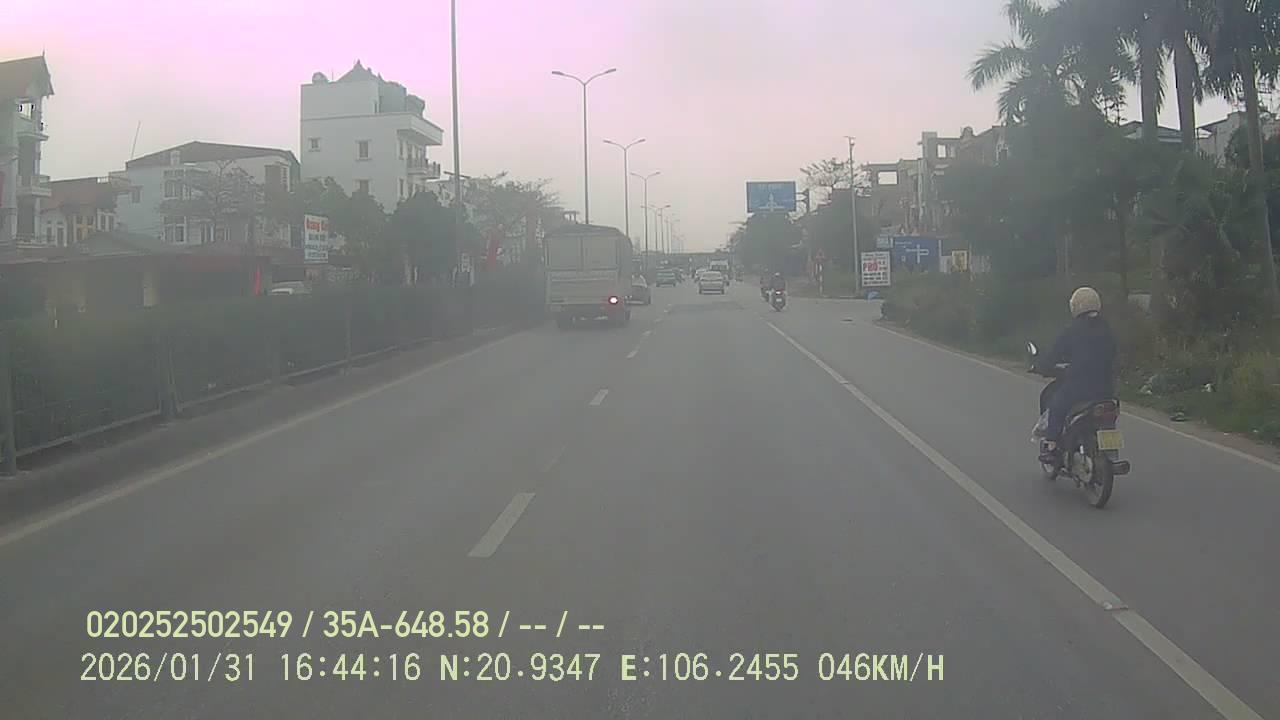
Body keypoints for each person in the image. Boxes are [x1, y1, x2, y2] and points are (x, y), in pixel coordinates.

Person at [1036, 286, 1117, 463]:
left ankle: (1051, 446)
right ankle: (1111, 453)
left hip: (1080, 388)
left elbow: (1053, 355)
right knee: (1109, 418)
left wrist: (1042, 366)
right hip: (1106, 389)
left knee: (1056, 405)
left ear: (1075, 306)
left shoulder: (1072, 330)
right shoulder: (1106, 327)